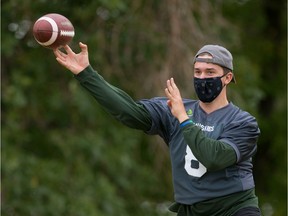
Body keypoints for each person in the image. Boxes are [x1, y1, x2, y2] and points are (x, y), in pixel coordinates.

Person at [53, 42, 261, 216]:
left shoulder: (243, 122)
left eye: (210, 72)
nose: (202, 78)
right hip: (191, 210)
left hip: (233, 209)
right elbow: (129, 112)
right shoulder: (176, 108)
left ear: (227, 78)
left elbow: (213, 157)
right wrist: (86, 74)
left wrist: (183, 119)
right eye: (197, 72)